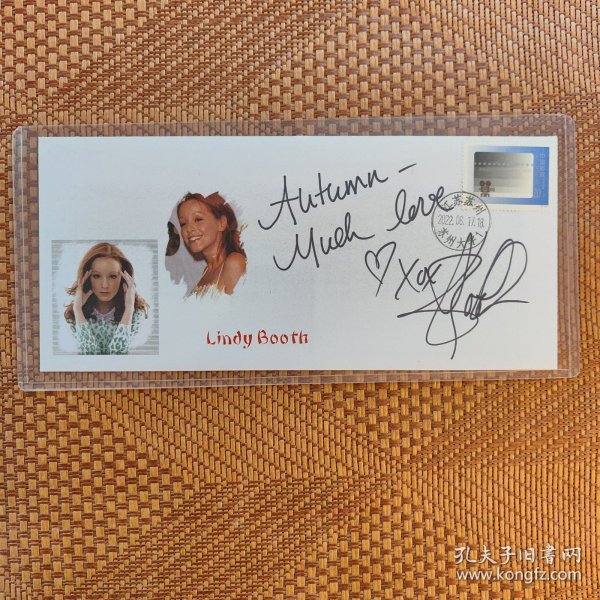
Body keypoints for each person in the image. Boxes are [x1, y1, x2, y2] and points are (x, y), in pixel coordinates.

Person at [64, 243, 149, 354]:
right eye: (96, 276)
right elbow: (89, 356)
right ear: (86, 278)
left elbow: (117, 355)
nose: (104, 285)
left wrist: (129, 309)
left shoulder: (136, 313)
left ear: (124, 278)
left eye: (113, 276)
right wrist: (78, 310)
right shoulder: (73, 313)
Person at [169, 191, 247, 296]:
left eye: (198, 219)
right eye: (183, 223)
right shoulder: (206, 272)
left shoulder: (234, 263)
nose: (189, 228)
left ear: (221, 223)